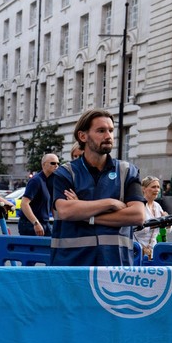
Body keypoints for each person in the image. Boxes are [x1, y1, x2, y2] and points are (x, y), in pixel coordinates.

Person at [50, 109, 144, 266]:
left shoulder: (127, 171)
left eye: (111, 131)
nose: (108, 136)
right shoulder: (66, 173)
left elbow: (137, 215)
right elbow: (66, 211)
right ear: (83, 136)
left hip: (114, 265)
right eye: (101, 131)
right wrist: (110, 203)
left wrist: (86, 215)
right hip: (72, 264)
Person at [18, 153, 59, 236]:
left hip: (45, 223)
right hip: (30, 224)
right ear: (44, 165)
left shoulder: (50, 181)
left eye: (58, 163)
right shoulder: (36, 180)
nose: (56, 166)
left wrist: (58, 223)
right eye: (53, 163)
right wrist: (35, 223)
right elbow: (24, 203)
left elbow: (52, 206)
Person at [133, 176, 166, 260]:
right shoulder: (138, 204)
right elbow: (132, 229)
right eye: (153, 187)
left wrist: (167, 222)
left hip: (153, 249)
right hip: (136, 249)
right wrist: (155, 224)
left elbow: (164, 229)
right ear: (144, 189)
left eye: (158, 187)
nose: (157, 190)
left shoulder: (157, 206)